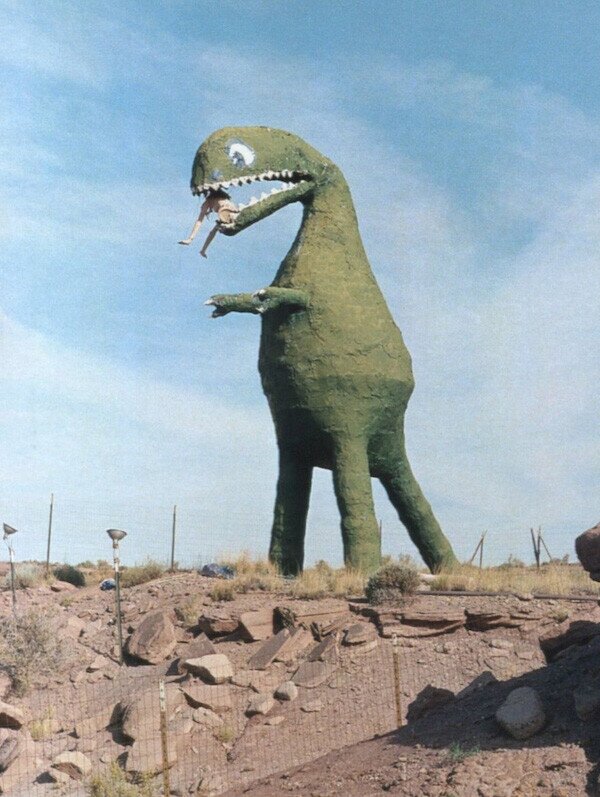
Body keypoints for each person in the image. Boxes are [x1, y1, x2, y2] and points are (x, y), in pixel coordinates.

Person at [178, 189, 239, 257]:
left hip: (229, 214)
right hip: (233, 213)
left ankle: (199, 248)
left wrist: (190, 238)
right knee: (214, 230)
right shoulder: (222, 198)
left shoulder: (209, 202)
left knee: (215, 229)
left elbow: (199, 221)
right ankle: (203, 251)